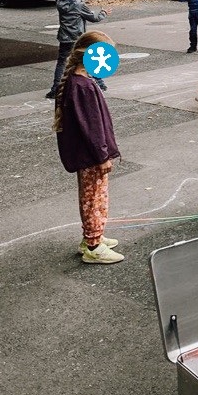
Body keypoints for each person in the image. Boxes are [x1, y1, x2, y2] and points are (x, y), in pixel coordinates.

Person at [53, 30, 123, 264]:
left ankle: (94, 236)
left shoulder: (78, 81)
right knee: (94, 199)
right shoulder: (81, 86)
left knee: (93, 196)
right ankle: (93, 244)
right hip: (91, 156)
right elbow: (91, 127)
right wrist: (102, 155)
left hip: (88, 154)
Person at [46, 0, 110, 99]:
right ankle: (100, 83)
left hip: (65, 37)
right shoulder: (79, 5)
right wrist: (103, 13)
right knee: (88, 57)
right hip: (78, 37)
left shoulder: (59, 2)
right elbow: (94, 18)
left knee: (61, 62)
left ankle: (55, 89)